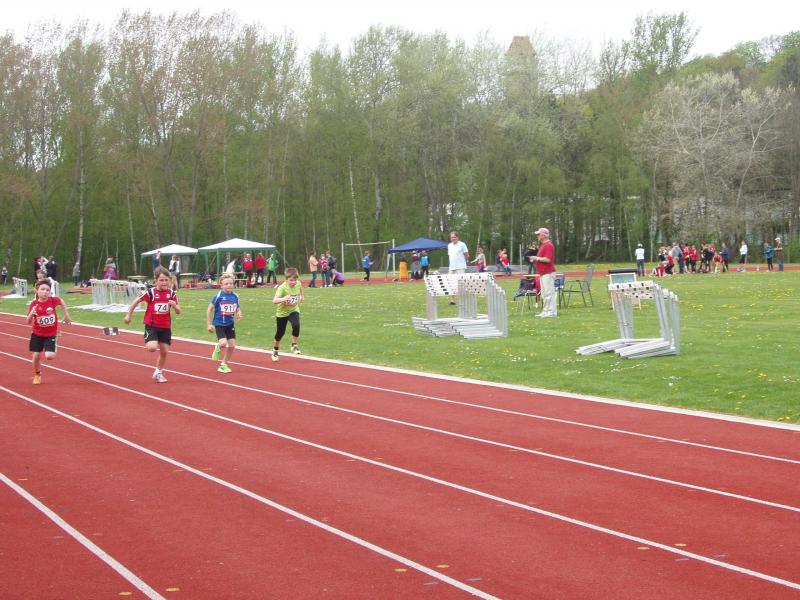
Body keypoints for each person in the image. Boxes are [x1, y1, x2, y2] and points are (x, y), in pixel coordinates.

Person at [124, 266, 181, 383]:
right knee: (152, 348)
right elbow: (136, 301)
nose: (164, 282)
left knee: (164, 351)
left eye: (166, 280)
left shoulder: (171, 293)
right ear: (156, 281)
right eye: (161, 280)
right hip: (152, 325)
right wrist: (128, 315)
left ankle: (158, 372)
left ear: (169, 280)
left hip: (165, 326)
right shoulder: (151, 292)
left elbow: (178, 311)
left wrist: (175, 306)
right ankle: (151, 338)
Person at [26, 280, 72, 384]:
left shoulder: (52, 301)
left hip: (50, 334)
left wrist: (66, 315)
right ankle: (37, 374)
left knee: (49, 356)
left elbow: (61, 301)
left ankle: (54, 341)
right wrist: (31, 314)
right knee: (36, 356)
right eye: (42, 289)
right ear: (37, 291)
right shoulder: (34, 304)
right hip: (37, 334)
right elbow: (27, 322)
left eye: (47, 290)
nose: (45, 292)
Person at [207, 273, 243, 373]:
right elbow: (209, 309)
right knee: (223, 343)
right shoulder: (218, 296)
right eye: (226, 284)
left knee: (232, 345)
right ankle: (218, 346)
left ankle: (223, 364)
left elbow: (237, 307)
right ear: (221, 285)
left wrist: (239, 313)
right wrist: (209, 324)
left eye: (231, 283)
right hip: (219, 324)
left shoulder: (235, 296)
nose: (229, 285)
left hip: (230, 324)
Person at [271, 267, 303, 362]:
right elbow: (274, 300)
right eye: (291, 280)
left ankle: (294, 345)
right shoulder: (282, 288)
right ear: (286, 280)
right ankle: (275, 350)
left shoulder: (298, 283)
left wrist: (302, 296)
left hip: (293, 310)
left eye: (295, 280)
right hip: (282, 313)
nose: (293, 282)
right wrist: (284, 299)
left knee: (296, 325)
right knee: (280, 333)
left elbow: (300, 288)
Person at [531, 227, 557, 317]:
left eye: (539, 234)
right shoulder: (543, 245)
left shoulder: (548, 245)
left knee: (549, 293)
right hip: (543, 273)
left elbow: (548, 259)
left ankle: (551, 312)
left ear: (544, 235)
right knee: (544, 293)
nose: (537, 236)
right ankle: (546, 311)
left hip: (548, 272)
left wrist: (536, 258)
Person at [447, 231, 469, 305]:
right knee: (451, 283)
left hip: (460, 267)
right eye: (452, 237)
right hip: (451, 267)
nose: (453, 238)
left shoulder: (462, 244)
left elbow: (467, 255)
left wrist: (464, 262)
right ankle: (452, 300)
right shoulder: (449, 245)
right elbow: (450, 256)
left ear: (457, 237)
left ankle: (463, 299)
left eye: (454, 237)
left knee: (461, 283)